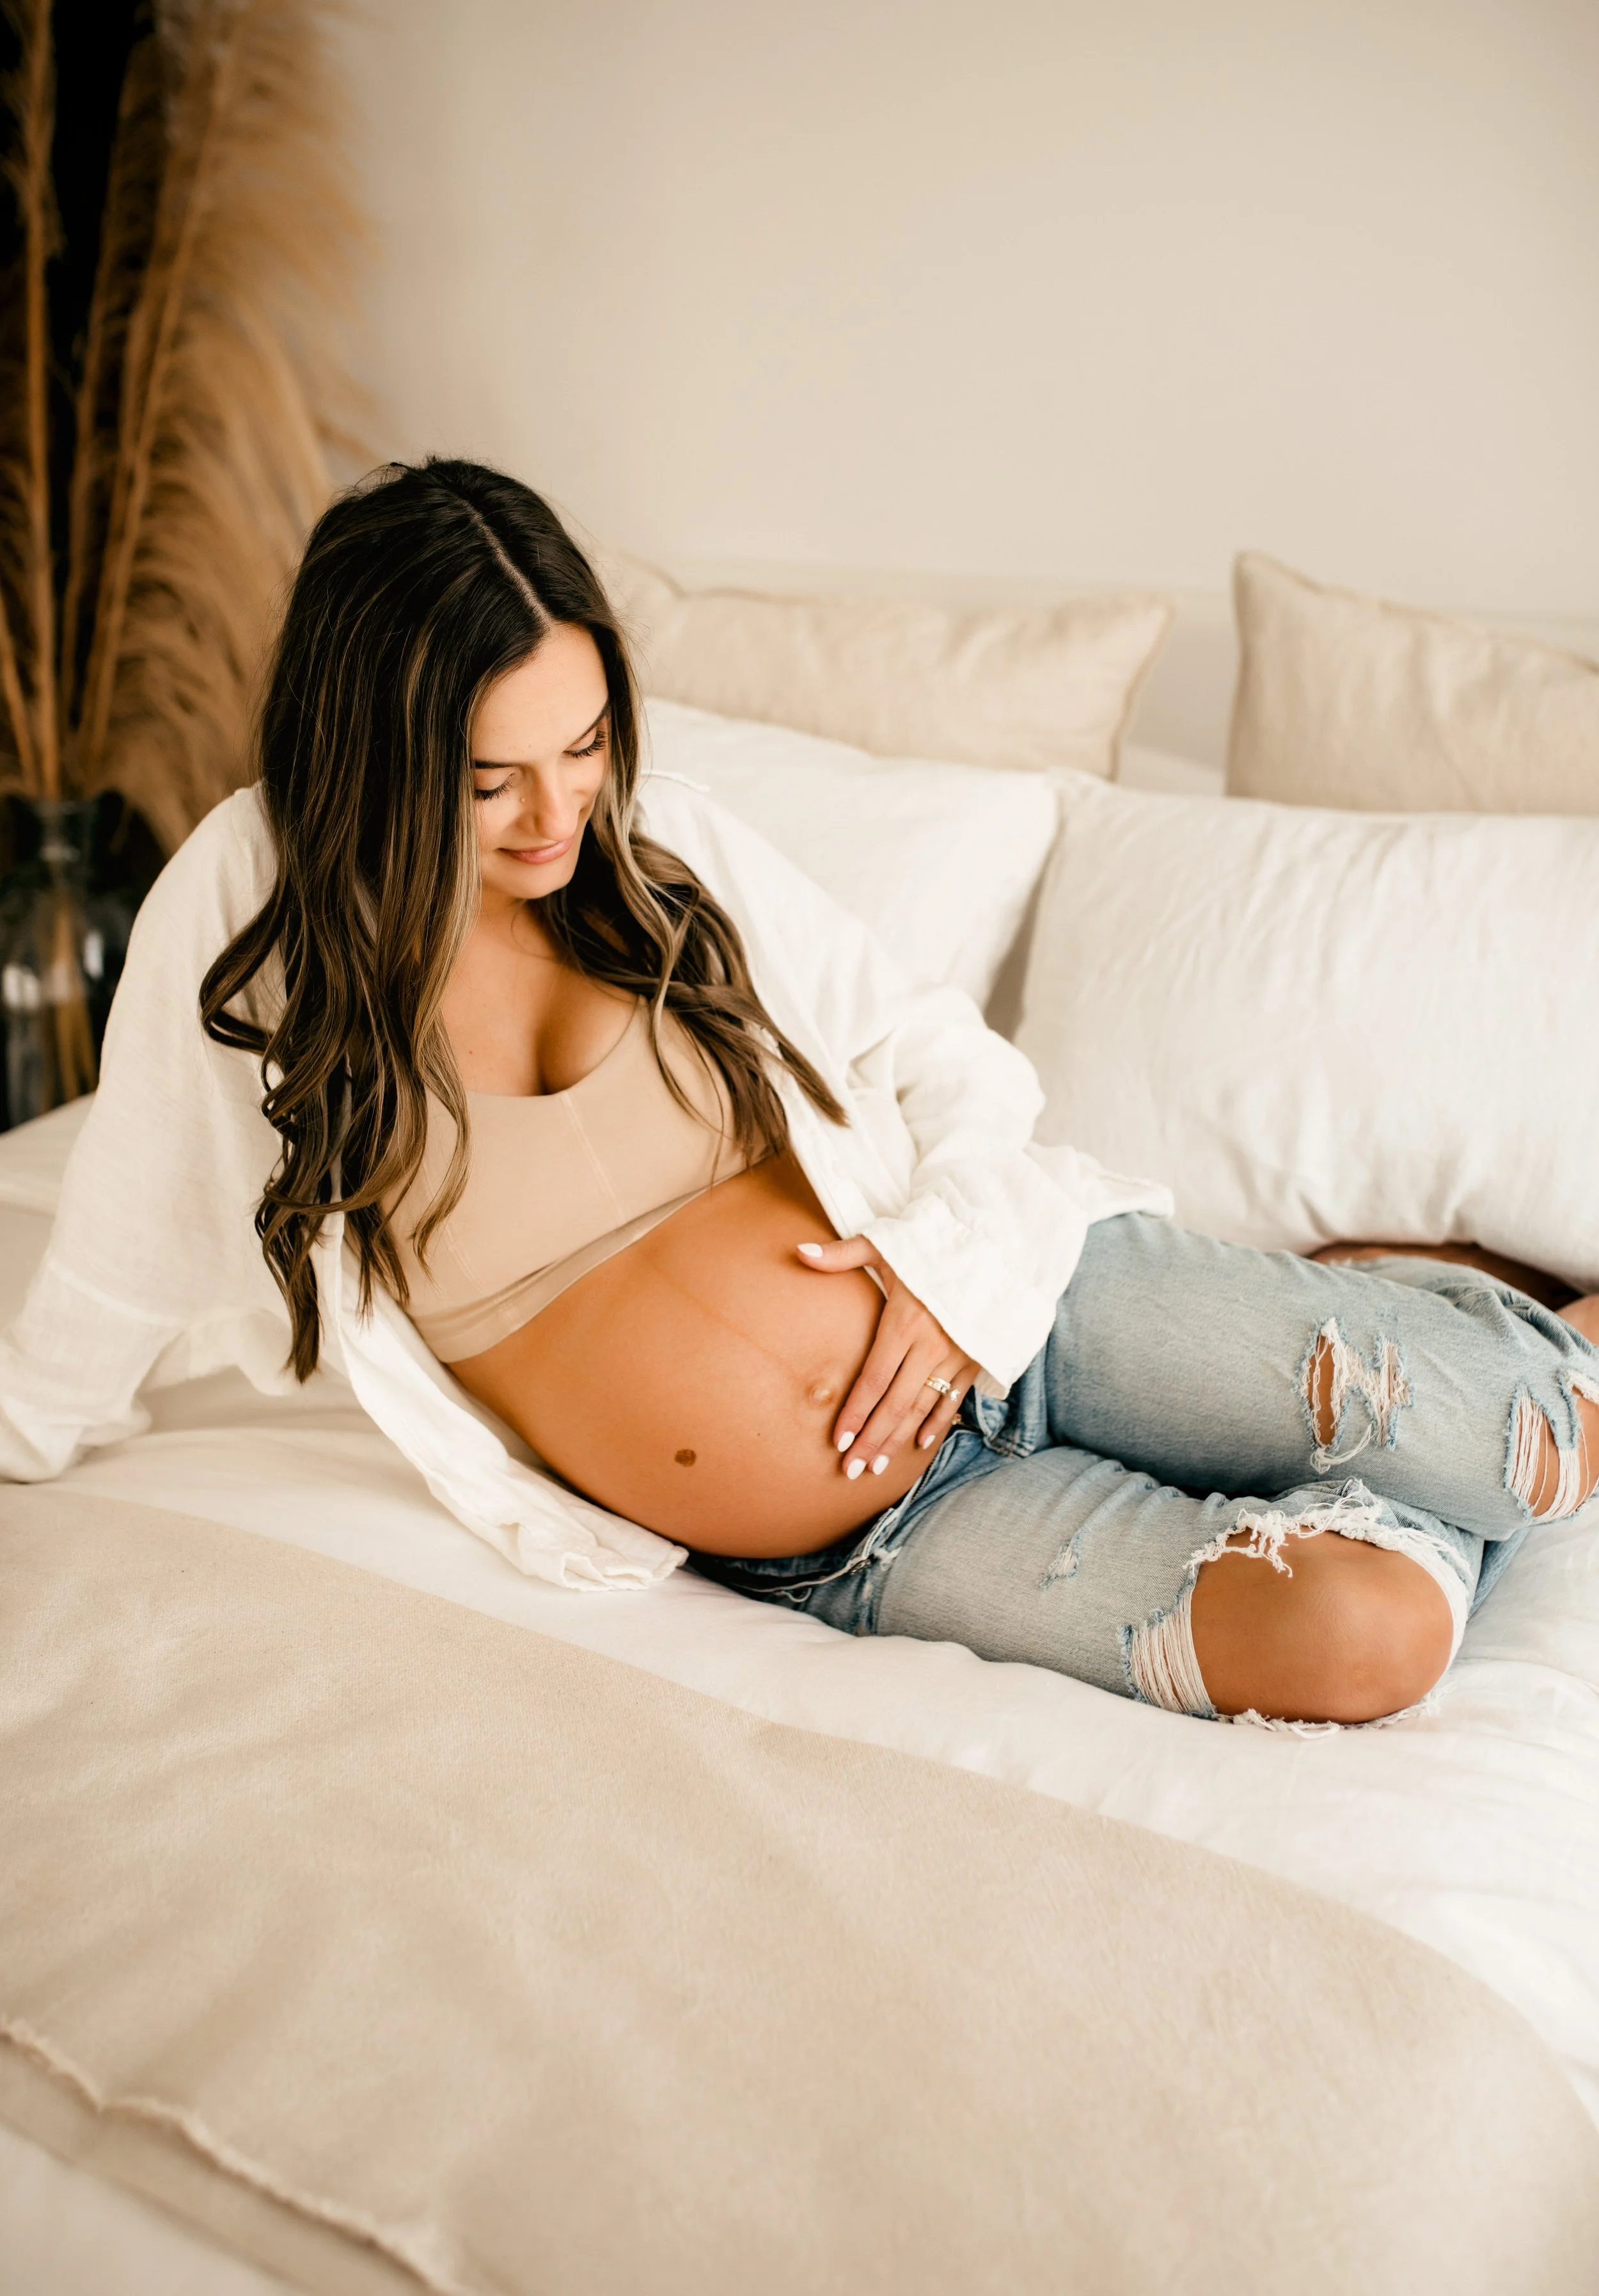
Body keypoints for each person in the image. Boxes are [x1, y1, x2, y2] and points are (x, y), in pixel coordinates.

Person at [12, 459, 1598, 1727]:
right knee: (1358, 1642)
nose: (555, 812)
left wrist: (945, 1272)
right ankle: (1398, 1348)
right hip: (876, 1537)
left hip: (1034, 1310)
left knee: (1537, 1441)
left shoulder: (665, 850)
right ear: (368, 757)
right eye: (489, 779)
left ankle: (1482, 1351)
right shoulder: (253, 907)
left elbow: (953, 1067)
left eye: (582, 746)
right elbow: (122, 1230)